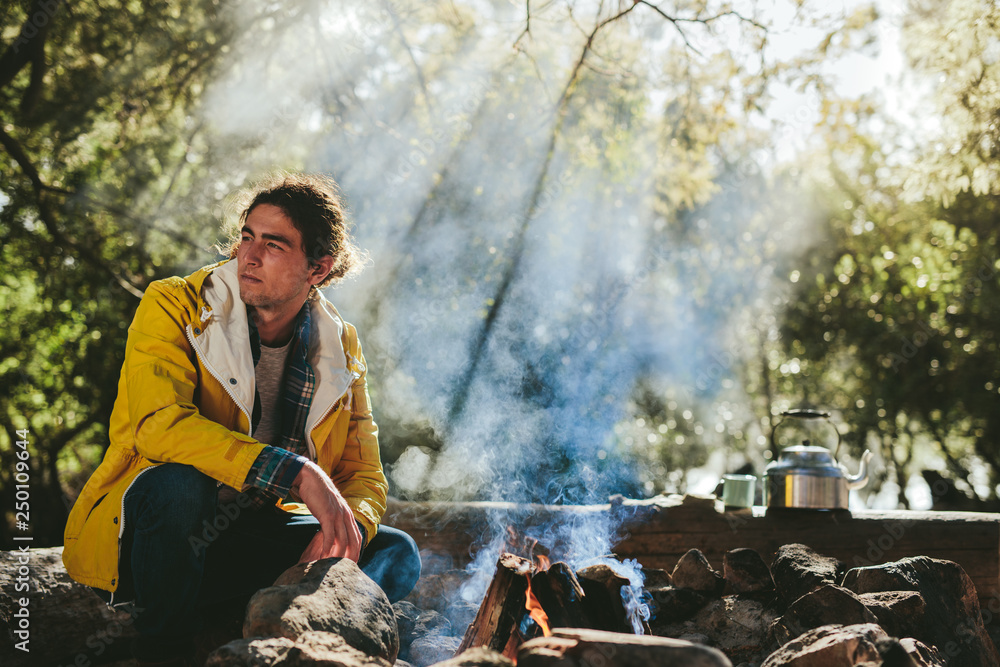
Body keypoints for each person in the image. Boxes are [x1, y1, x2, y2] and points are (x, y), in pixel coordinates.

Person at [62, 173, 421, 665]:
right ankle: (164, 651)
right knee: (179, 486)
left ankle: (266, 626)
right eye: (247, 236)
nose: (247, 256)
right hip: (156, 536)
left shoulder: (340, 343)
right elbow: (158, 425)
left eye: (273, 245)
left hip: (240, 540)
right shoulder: (173, 304)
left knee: (394, 551)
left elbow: (364, 474)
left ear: (318, 268)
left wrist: (345, 526)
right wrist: (293, 471)